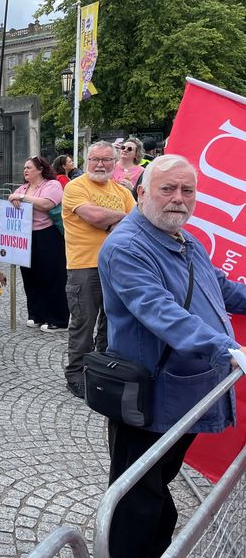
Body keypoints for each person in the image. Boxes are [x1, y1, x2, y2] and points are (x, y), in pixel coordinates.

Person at [98, 155, 246, 558]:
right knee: (136, 500)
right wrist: (227, 349)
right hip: (148, 394)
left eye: (188, 190)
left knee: (157, 483)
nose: (178, 199)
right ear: (142, 192)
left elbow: (221, 289)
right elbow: (160, 310)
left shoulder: (185, 238)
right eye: (168, 189)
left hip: (185, 391)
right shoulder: (127, 247)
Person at [62, 142, 136, 398]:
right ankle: (75, 374)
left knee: (111, 324)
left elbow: (135, 226)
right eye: (95, 159)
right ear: (86, 161)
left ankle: (100, 370)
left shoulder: (123, 191)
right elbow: (94, 216)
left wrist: (115, 219)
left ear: (115, 163)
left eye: (106, 160)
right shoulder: (75, 187)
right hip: (85, 266)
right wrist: (120, 217)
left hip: (118, 268)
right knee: (83, 323)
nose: (100, 164)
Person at [8, 156, 70, 332]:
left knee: (52, 277)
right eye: (24, 168)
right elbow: (13, 201)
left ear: (40, 169)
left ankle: (58, 319)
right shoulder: (23, 187)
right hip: (25, 236)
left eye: (29, 167)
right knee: (30, 277)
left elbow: (47, 204)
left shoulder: (52, 185)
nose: (25, 170)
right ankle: (37, 314)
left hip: (47, 235)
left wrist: (21, 197)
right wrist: (17, 197)